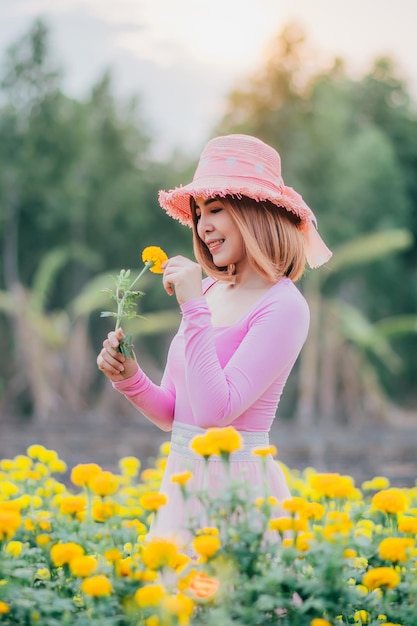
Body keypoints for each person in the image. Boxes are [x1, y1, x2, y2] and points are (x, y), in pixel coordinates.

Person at [96, 134, 332, 543]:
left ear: (254, 213)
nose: (203, 226)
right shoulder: (208, 293)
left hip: (236, 489)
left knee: (228, 603)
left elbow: (214, 412)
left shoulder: (283, 307)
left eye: (217, 210)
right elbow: (176, 414)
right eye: (199, 212)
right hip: (182, 480)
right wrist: (129, 378)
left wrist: (192, 309)